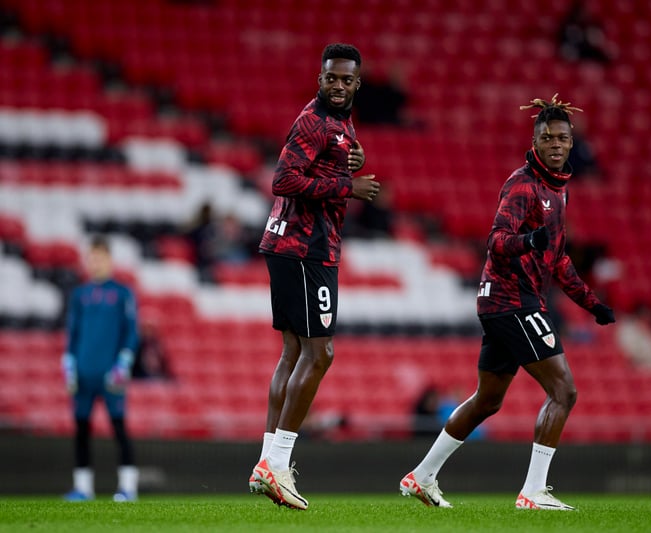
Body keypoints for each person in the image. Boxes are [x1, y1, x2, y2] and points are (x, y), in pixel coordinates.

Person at [399, 95, 615, 511]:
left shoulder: (558, 191)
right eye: (548, 138)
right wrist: (528, 240)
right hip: (512, 300)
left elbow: (558, 260)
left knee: (488, 399)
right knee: (563, 390)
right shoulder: (523, 185)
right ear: (535, 142)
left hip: (504, 301)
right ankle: (533, 491)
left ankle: (421, 476)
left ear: (572, 142)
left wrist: (592, 304)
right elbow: (497, 240)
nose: (555, 144)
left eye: (562, 138)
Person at [247, 43, 379, 510]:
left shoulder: (340, 122)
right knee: (320, 353)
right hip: (305, 248)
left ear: (357, 83)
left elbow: (324, 160)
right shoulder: (314, 121)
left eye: (346, 79)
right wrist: (349, 185)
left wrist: (350, 161)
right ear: (319, 78)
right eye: (331, 78)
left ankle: (267, 463)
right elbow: (282, 180)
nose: (338, 86)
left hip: (292, 245)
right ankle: (278, 464)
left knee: (293, 352)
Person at [61, 235, 139, 502]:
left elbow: (131, 332)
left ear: (109, 259)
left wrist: (124, 362)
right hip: (83, 374)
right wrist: (68, 364)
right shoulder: (80, 295)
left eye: (99, 258)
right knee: (81, 430)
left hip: (110, 374)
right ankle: (83, 488)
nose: (95, 263)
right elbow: (72, 333)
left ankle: (128, 487)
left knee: (118, 427)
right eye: (91, 258)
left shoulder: (122, 293)